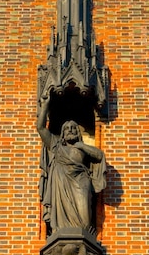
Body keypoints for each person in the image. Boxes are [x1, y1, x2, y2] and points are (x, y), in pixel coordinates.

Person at [37, 94, 106, 233]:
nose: (70, 130)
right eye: (67, 128)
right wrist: (44, 106)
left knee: (84, 212)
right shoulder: (56, 146)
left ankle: (85, 233)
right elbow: (41, 128)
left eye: (73, 128)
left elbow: (99, 156)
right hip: (61, 182)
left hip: (81, 181)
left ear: (78, 132)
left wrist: (81, 146)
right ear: (62, 133)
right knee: (62, 216)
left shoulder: (82, 148)